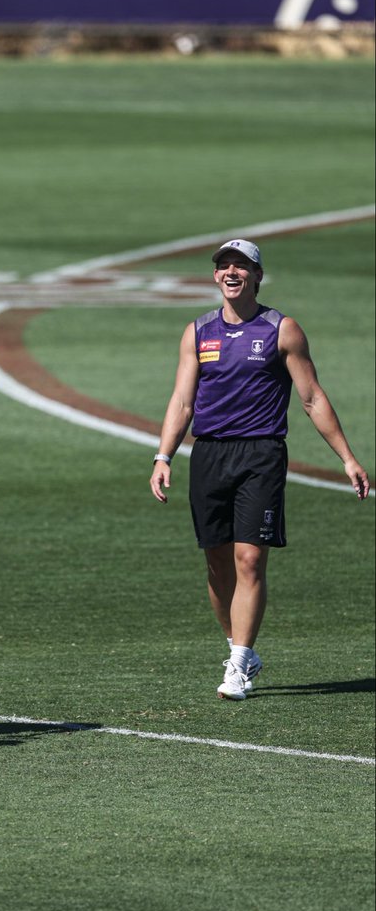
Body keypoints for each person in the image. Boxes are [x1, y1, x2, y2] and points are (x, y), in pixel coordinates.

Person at [149, 237, 370, 699]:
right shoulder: (197, 332)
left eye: (241, 266)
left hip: (261, 455)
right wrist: (163, 456)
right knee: (216, 564)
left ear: (257, 276)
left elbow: (312, 398)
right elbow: (183, 401)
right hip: (209, 455)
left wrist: (347, 458)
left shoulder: (282, 330)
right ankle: (239, 647)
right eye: (224, 266)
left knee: (249, 560)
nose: (231, 272)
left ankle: (238, 665)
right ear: (215, 276)